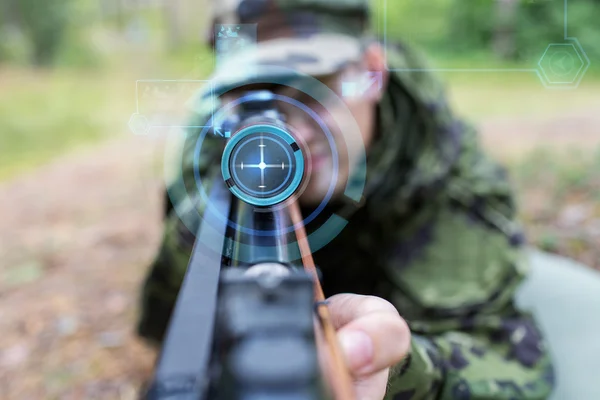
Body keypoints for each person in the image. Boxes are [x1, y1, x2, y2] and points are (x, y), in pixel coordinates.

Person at [137, 0, 554, 399]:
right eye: (256, 100)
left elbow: (512, 361)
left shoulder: (442, 174)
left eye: (312, 93)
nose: (290, 138)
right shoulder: (216, 150)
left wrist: (394, 371)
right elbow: (165, 317)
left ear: (371, 73)